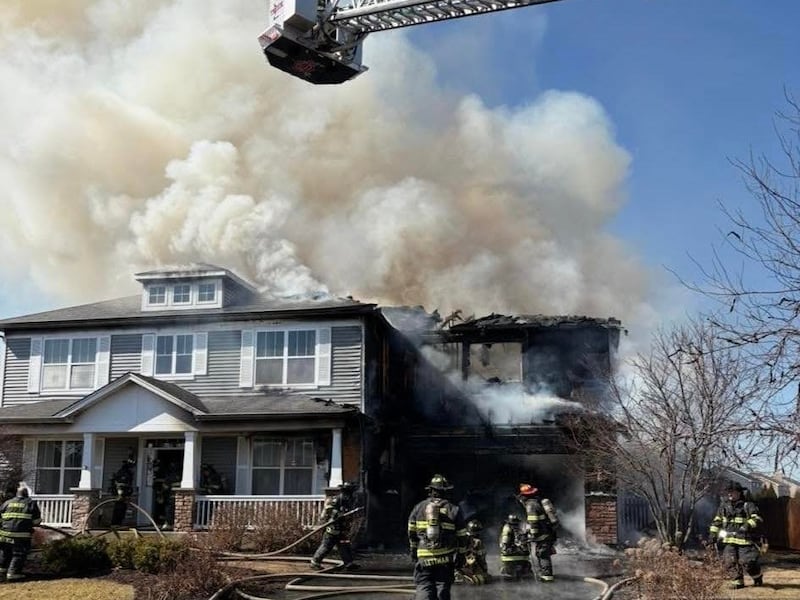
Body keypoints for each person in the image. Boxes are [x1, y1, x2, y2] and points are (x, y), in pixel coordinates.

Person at [407, 474, 468, 600]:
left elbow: (411, 532)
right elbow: (462, 535)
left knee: (424, 586)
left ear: (430, 490)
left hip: (424, 557)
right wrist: (461, 555)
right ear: (446, 492)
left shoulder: (419, 508)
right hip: (445, 559)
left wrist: (413, 551)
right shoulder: (453, 509)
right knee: (442, 587)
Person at [709, 480, 764, 589]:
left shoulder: (748, 505)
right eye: (728, 492)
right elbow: (717, 521)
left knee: (747, 562)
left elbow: (757, 518)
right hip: (729, 540)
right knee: (730, 561)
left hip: (745, 540)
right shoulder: (723, 507)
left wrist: (747, 526)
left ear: (739, 493)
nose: (729, 494)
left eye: (732, 492)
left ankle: (757, 576)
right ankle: (737, 582)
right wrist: (712, 534)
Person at [310, 481, 361, 570]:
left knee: (344, 545)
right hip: (333, 527)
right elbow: (329, 509)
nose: (352, 493)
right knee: (327, 546)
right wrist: (337, 514)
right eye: (351, 491)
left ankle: (349, 563)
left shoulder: (350, 500)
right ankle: (315, 562)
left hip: (343, 527)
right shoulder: (337, 499)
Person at [518, 482, 559, 581]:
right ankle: (545, 575)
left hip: (542, 534)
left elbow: (533, 521)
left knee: (542, 554)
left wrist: (532, 535)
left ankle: (547, 578)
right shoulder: (539, 502)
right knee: (543, 554)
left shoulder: (531, 505)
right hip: (547, 533)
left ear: (525, 496)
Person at [0, 484, 41, 581]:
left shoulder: (7, 503)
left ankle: (1, 572)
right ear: (26, 494)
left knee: (5, 553)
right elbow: (36, 521)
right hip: (20, 536)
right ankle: (13, 574)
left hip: (4, 535)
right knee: (18, 554)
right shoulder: (31, 503)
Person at [455, 518, 491, 585]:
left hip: (459, 567)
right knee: (486, 579)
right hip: (471, 568)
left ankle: (459, 575)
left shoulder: (461, 539)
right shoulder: (478, 542)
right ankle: (468, 578)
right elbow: (481, 559)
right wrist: (485, 570)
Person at [499, 514, 532, 579]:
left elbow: (504, 543)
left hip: (509, 556)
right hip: (520, 556)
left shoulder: (507, 528)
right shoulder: (520, 529)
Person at [109, 459, 135, 526]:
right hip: (121, 495)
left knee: (122, 509)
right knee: (119, 508)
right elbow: (120, 484)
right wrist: (120, 494)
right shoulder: (123, 473)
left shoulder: (127, 472)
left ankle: (118, 523)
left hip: (124, 495)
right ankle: (116, 524)